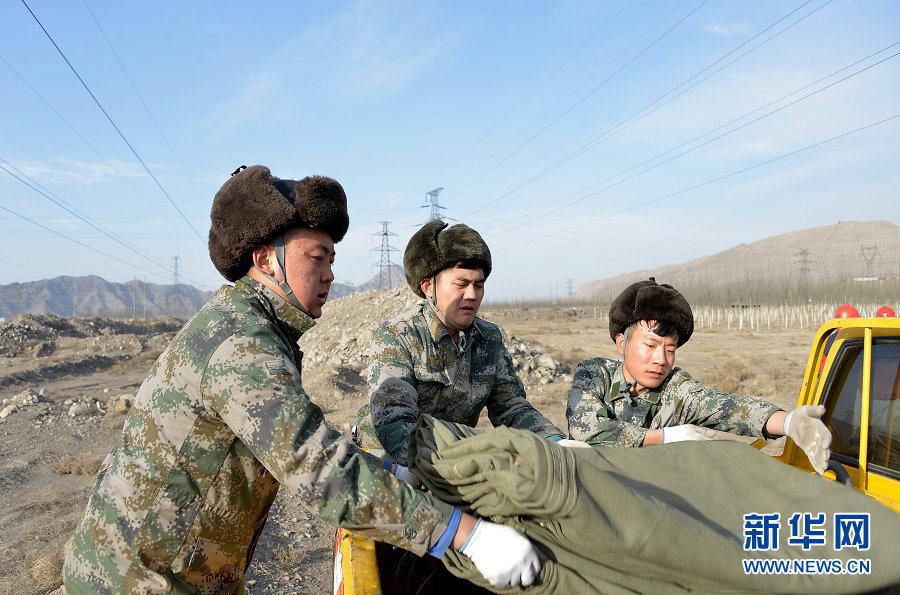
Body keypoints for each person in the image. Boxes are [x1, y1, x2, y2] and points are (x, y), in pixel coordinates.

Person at [62, 166, 541, 593]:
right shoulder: (241, 344)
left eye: (332, 260)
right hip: (141, 578)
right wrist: (468, 535)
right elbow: (317, 469)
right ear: (266, 259)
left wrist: (394, 472)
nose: (331, 274)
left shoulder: (256, 326)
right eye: (319, 258)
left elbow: (310, 437)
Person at [566, 278, 832, 474]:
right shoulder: (593, 374)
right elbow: (585, 430)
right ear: (622, 343)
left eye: (670, 349)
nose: (661, 359)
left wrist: (790, 423)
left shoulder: (676, 388)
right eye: (650, 346)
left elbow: (731, 409)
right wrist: (667, 437)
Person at [364, 219, 565, 468]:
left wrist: (553, 442)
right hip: (393, 460)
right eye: (461, 284)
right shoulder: (399, 335)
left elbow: (511, 408)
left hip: (454, 458)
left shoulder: (489, 338)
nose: (471, 295)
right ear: (428, 287)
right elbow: (394, 419)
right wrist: (446, 467)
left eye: (478, 286)